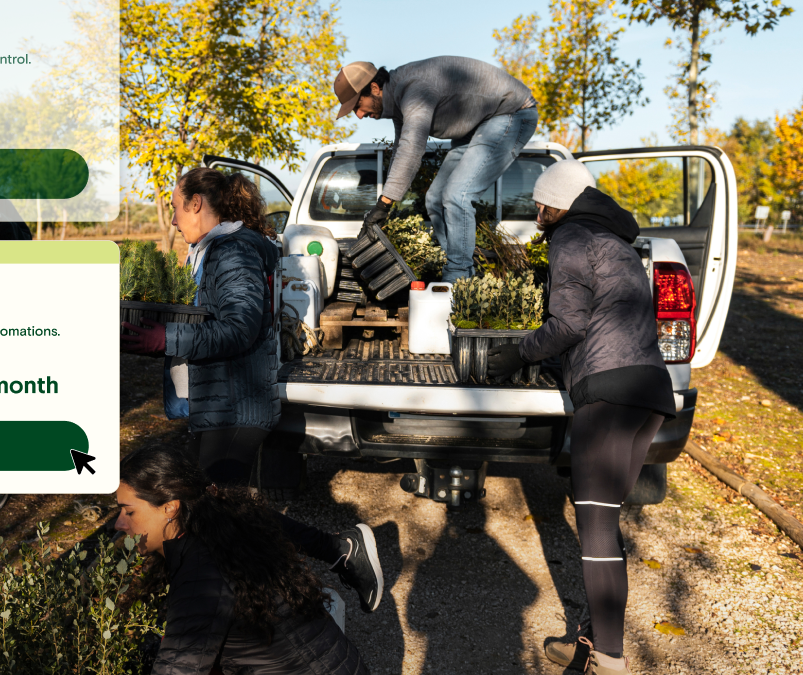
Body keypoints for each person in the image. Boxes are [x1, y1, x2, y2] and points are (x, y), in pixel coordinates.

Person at [121, 168, 385, 614]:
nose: (171, 220)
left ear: (198, 203)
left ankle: (330, 562)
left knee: (214, 511)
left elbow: (239, 328)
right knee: (221, 514)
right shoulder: (215, 250)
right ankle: (295, 586)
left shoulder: (233, 252)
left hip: (236, 403)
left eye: (175, 207)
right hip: (222, 400)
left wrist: (165, 339)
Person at [487, 160, 676, 675]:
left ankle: (610, 660)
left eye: (540, 205)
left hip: (608, 395)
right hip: (649, 393)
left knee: (594, 528)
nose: (537, 214)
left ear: (555, 203)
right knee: (605, 522)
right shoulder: (615, 241)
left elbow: (569, 323)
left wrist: (517, 355)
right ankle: (593, 641)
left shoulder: (569, 236)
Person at [116, 446, 371, 675]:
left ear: (170, 507)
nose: (119, 523)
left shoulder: (200, 574)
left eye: (130, 511)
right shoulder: (222, 529)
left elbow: (179, 669)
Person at [332, 58, 539, 281]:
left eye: (357, 106)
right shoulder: (400, 99)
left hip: (511, 113)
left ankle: (458, 277)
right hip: (479, 125)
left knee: (458, 195)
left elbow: (412, 148)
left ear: (374, 88)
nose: (359, 115)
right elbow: (402, 151)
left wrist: (384, 204)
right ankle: (463, 268)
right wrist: (383, 206)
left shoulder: (414, 91)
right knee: (435, 199)